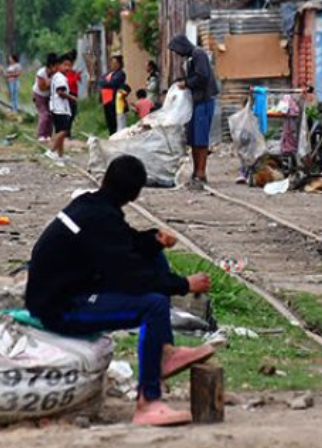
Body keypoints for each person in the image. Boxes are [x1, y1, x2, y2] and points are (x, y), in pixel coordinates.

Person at [25, 154, 214, 427]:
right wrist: (184, 285)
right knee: (153, 305)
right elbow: (131, 278)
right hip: (61, 307)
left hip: (73, 287)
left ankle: (165, 352)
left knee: (153, 256)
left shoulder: (92, 206)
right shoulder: (102, 218)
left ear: (103, 180)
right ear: (135, 195)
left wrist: (153, 239)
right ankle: (148, 402)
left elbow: (123, 243)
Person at [167, 35, 219, 188]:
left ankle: (201, 172)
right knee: (194, 138)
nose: (178, 54)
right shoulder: (191, 57)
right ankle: (196, 171)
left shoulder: (198, 54)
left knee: (201, 139)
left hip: (204, 100)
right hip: (196, 102)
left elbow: (202, 76)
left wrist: (187, 83)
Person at [46, 57, 75, 161]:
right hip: (60, 108)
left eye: (69, 65)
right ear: (59, 65)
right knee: (64, 131)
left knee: (60, 131)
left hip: (57, 107)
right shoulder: (60, 78)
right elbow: (60, 92)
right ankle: (51, 151)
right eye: (65, 65)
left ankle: (60, 155)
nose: (68, 68)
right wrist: (72, 97)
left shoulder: (58, 76)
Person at [99, 55, 127, 136]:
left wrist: (104, 83)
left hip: (114, 100)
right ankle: (111, 134)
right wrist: (104, 83)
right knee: (109, 120)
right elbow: (101, 80)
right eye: (111, 62)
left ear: (119, 64)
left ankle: (116, 135)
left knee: (115, 120)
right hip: (106, 99)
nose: (112, 64)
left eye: (115, 63)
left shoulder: (120, 74)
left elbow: (112, 83)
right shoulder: (109, 73)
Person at [33, 53, 57, 141]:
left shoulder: (55, 73)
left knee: (50, 115)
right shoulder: (41, 73)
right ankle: (40, 134)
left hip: (49, 96)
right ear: (50, 66)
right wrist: (50, 83)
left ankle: (48, 135)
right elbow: (42, 87)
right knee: (44, 114)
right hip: (39, 95)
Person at [62, 50, 81, 132]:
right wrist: (76, 76)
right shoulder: (68, 70)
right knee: (70, 113)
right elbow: (69, 82)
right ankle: (66, 132)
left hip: (73, 92)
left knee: (72, 113)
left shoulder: (72, 70)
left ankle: (67, 131)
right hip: (70, 92)